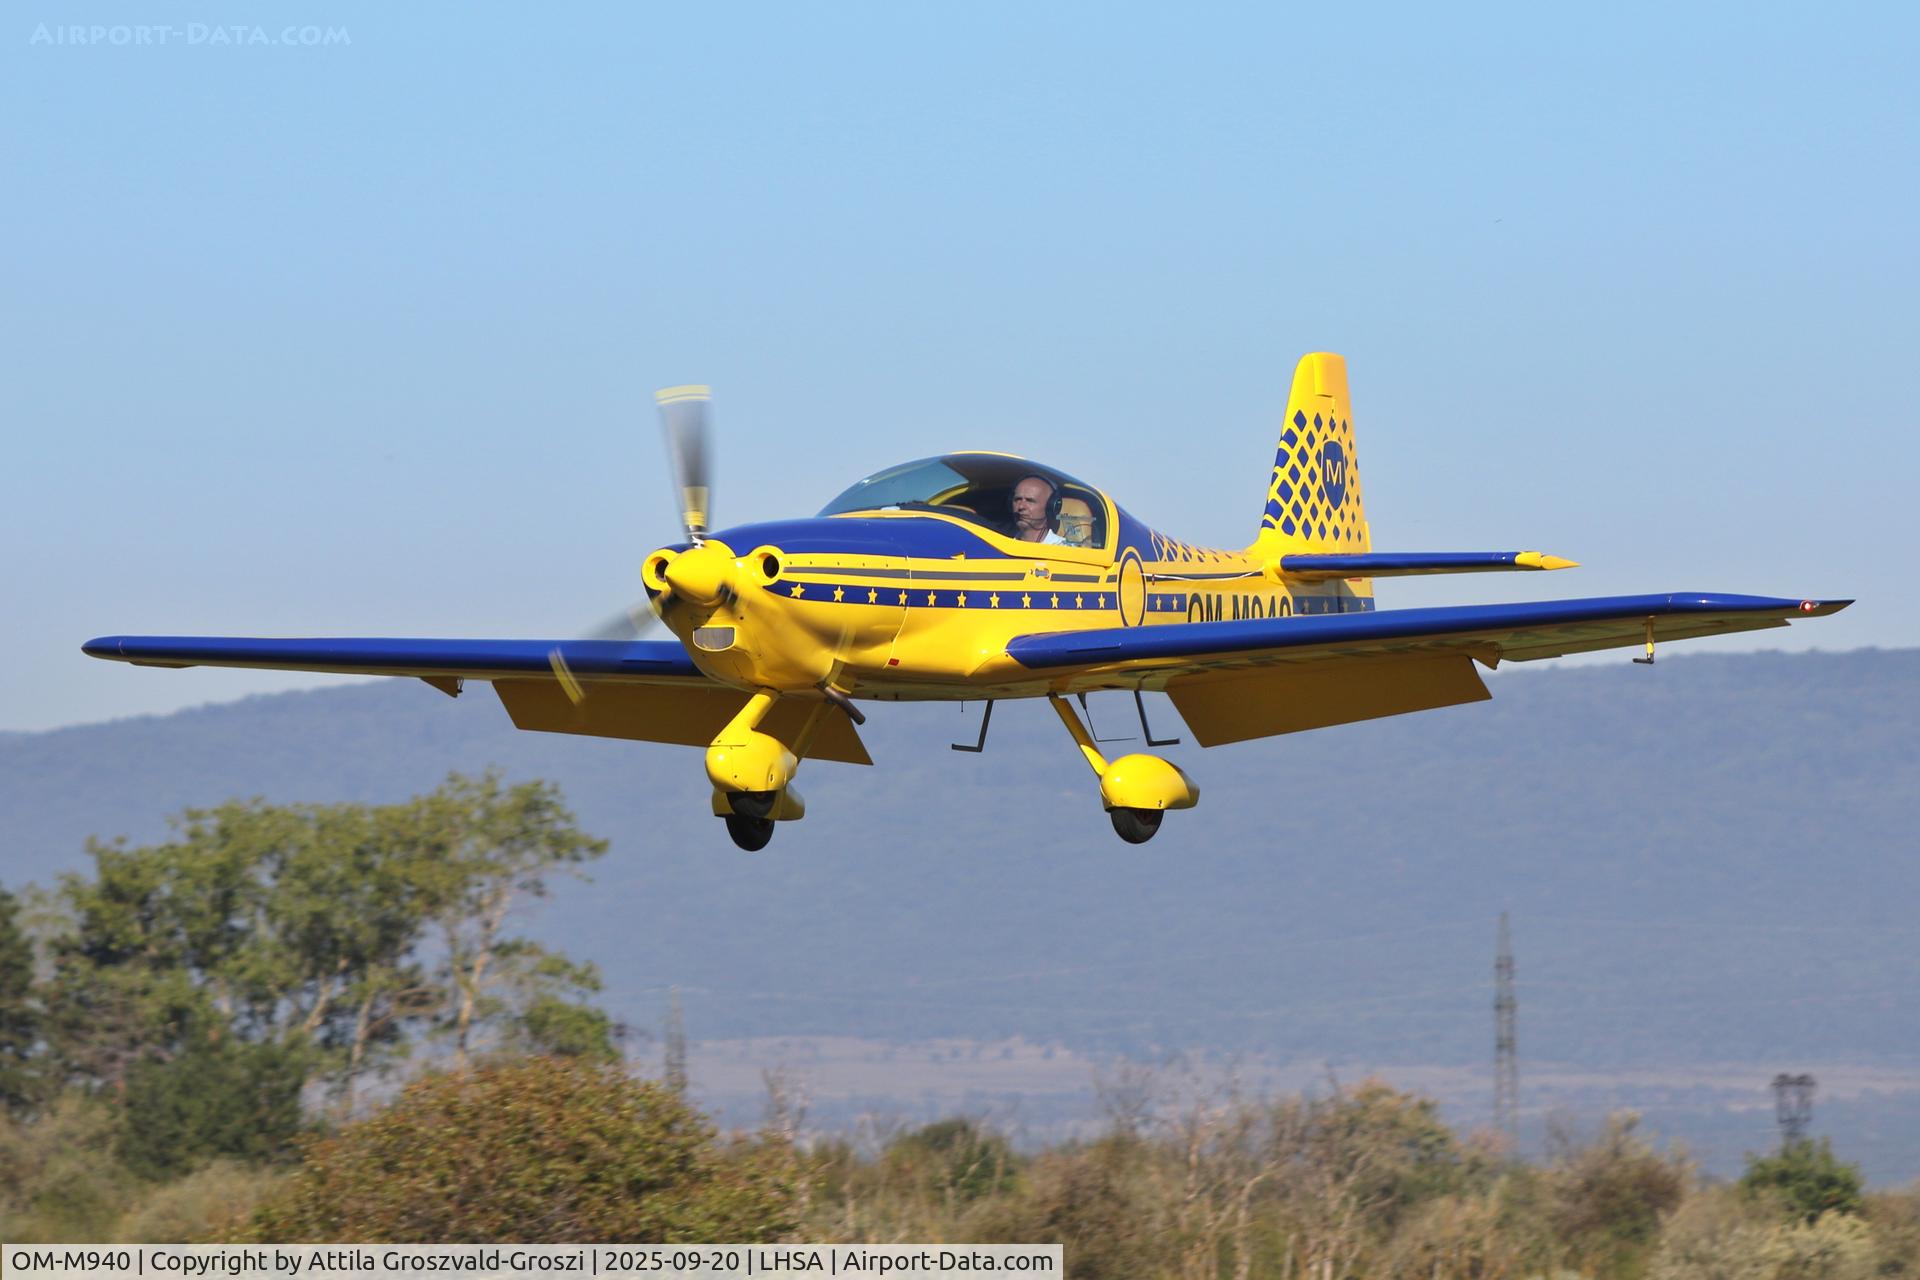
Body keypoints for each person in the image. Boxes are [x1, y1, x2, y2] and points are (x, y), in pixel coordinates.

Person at [1009, 475, 1056, 542]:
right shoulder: (1001, 547)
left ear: (1050, 507)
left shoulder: (1065, 549)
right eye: (1017, 499)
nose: (1021, 507)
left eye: (1030, 501)